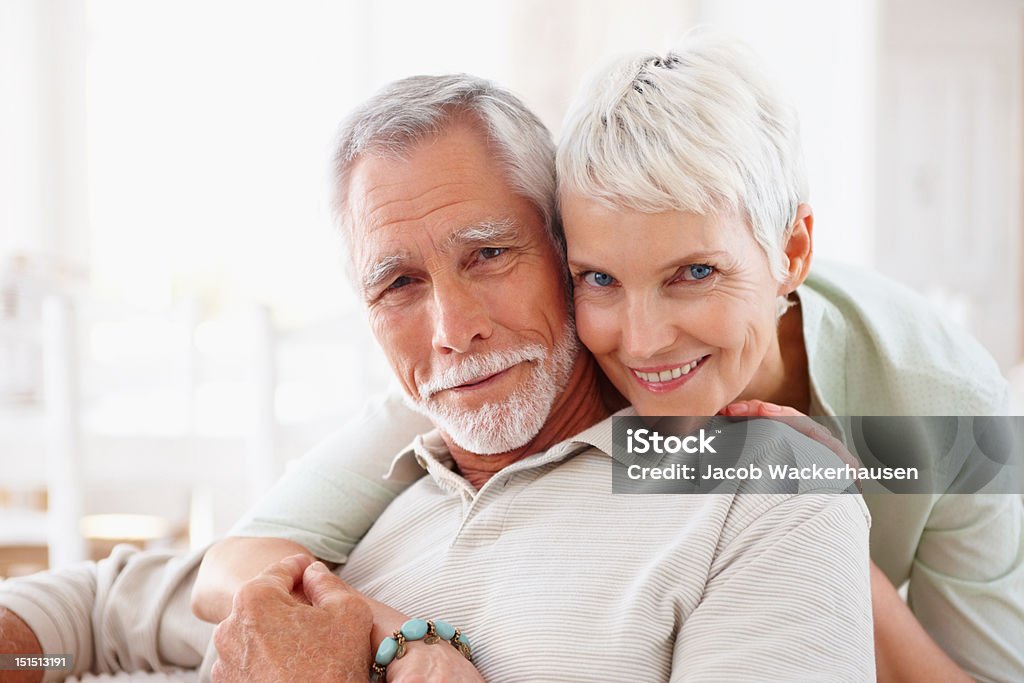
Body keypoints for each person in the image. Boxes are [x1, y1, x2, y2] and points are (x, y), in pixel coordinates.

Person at [193, 35, 1024, 682]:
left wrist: (837, 543)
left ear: (793, 247)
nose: (645, 339)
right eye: (600, 278)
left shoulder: (942, 412)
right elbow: (235, 560)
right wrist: (404, 638)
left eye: (694, 273)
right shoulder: (532, 365)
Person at [0, 71, 874, 682]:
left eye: (488, 255)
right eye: (399, 284)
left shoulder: (760, 490)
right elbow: (88, 616)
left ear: (567, 251)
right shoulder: (381, 490)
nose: (454, 331)